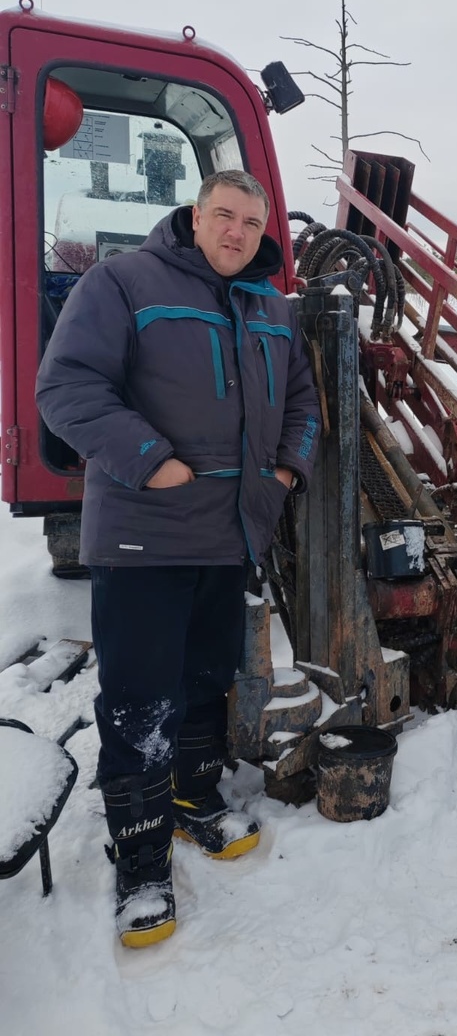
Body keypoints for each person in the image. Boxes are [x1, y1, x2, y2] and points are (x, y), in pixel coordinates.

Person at [36, 169, 321, 947]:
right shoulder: (122, 284)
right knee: (139, 699)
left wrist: (290, 468)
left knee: (205, 682)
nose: (236, 232)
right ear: (194, 217)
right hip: (145, 534)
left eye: (251, 222)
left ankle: (195, 800)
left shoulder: (271, 308)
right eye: (223, 216)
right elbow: (66, 387)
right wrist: (150, 460)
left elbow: (303, 401)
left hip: (231, 534)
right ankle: (139, 856)